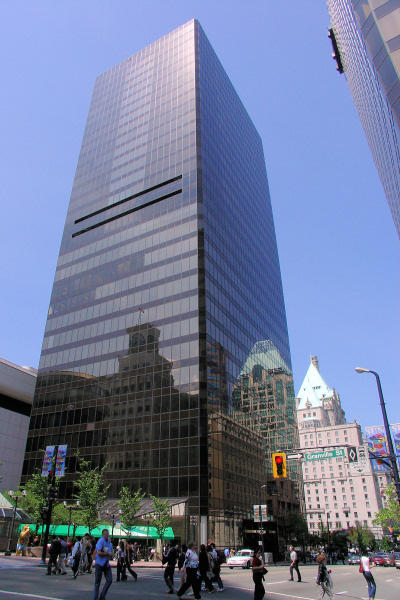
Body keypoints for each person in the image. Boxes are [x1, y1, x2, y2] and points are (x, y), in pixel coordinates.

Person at [93, 529, 113, 600]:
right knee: (97, 583)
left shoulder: (109, 542)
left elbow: (111, 552)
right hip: (99, 563)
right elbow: (98, 552)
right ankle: (95, 598)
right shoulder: (101, 541)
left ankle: (102, 596)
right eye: (105, 534)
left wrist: (110, 554)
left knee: (109, 579)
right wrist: (107, 553)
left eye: (107, 534)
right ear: (102, 534)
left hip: (106, 563)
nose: (106, 535)